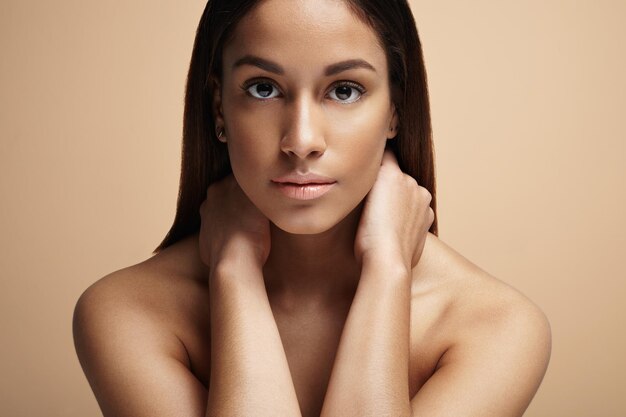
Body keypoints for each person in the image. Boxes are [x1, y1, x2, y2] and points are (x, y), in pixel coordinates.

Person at [72, 0, 552, 416]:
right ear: (219, 107)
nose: (301, 141)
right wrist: (235, 271)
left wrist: (387, 270)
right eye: (263, 88)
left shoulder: (496, 328)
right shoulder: (127, 313)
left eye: (344, 90)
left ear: (396, 111)